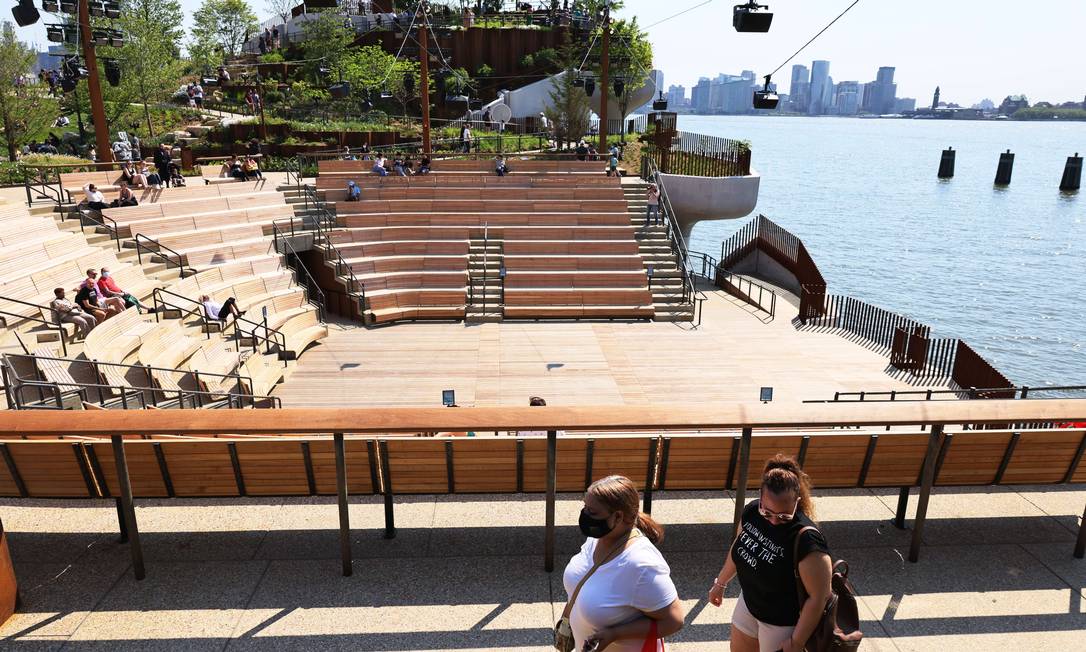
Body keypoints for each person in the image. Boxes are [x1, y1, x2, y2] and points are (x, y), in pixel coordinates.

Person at [708, 455, 833, 652]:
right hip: (749, 604)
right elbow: (740, 547)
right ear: (761, 496)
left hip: (781, 624)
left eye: (784, 516)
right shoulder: (751, 512)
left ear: (797, 502)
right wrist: (721, 582)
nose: (773, 521)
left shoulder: (807, 540)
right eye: (767, 512)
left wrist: (797, 641)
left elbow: (820, 597)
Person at [562, 475, 685, 652]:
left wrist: (615, 634)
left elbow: (674, 621)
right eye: (585, 507)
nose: (585, 515)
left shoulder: (642, 566)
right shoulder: (596, 539)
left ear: (618, 517)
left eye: (592, 512)